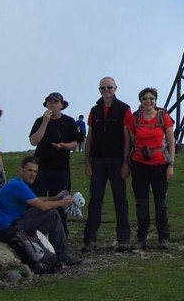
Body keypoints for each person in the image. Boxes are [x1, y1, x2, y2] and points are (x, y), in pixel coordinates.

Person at [0, 155, 82, 266]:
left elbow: (35, 199)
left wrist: (55, 198)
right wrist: (62, 203)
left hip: (6, 226)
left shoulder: (15, 182)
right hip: (7, 229)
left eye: (35, 171)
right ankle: (63, 255)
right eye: (30, 170)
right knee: (52, 215)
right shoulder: (19, 186)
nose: (33, 174)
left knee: (45, 211)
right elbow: (43, 206)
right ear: (21, 169)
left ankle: (56, 252)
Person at [82, 77, 133, 253]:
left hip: (117, 160)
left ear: (115, 88)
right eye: (103, 87)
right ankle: (89, 240)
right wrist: (87, 162)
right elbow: (90, 138)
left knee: (120, 199)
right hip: (97, 160)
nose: (106, 90)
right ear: (99, 90)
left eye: (109, 87)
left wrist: (126, 163)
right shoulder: (94, 110)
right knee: (95, 200)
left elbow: (127, 138)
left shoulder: (124, 109)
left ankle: (124, 239)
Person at [125, 87, 175, 250]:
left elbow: (171, 142)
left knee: (161, 203)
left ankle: (164, 238)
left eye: (151, 98)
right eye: (145, 98)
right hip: (139, 165)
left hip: (160, 165)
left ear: (156, 100)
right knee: (141, 203)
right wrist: (126, 162)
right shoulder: (135, 119)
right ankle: (141, 238)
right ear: (140, 101)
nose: (148, 101)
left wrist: (171, 165)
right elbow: (131, 142)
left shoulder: (163, 118)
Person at [28, 92, 78, 234]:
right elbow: (33, 141)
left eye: (55, 102)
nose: (52, 105)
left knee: (61, 203)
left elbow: (75, 144)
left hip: (61, 169)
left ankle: (61, 234)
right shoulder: (40, 121)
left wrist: (63, 146)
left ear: (62, 105)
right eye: (50, 102)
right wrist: (45, 122)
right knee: (38, 201)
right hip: (41, 168)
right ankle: (35, 233)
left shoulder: (69, 122)